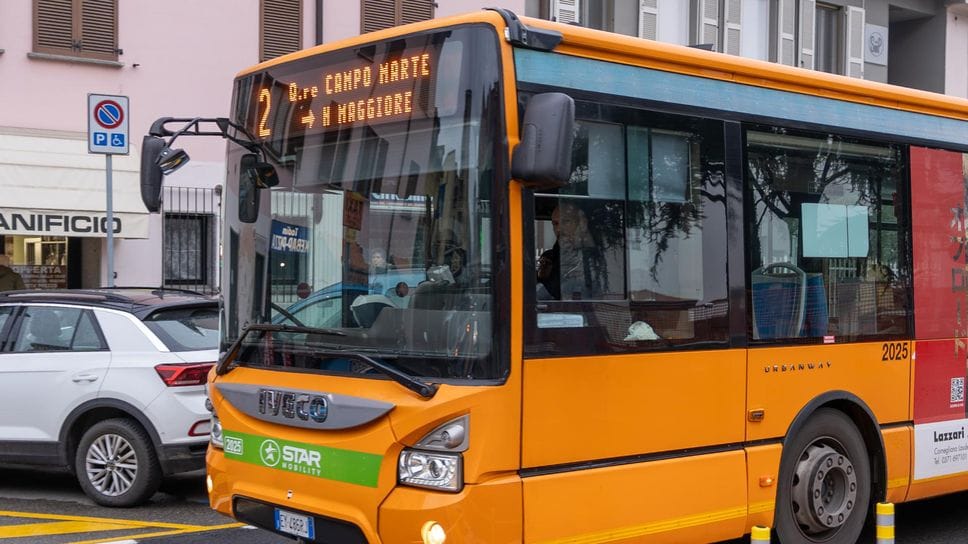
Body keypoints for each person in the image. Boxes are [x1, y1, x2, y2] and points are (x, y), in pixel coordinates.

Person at [537, 202, 593, 300]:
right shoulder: (551, 257)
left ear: (583, 223)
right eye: (555, 224)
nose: (558, 229)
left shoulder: (598, 258)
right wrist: (541, 276)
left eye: (566, 222)